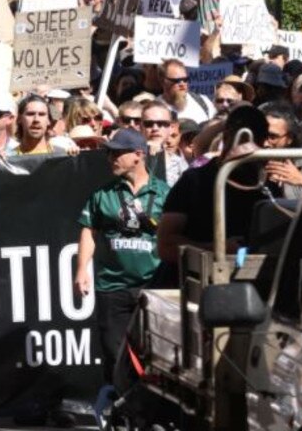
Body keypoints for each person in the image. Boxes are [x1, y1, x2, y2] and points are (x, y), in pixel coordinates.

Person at [74, 129, 169, 424]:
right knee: (116, 358)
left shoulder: (164, 193)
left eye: (117, 153)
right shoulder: (103, 194)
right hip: (112, 287)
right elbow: (89, 229)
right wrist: (81, 270)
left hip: (152, 288)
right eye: (109, 152)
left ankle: (152, 417)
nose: (110, 158)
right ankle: (122, 416)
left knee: (154, 358)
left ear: (138, 155)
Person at [158, 105, 276, 285]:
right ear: (227, 138)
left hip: (253, 290)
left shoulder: (269, 188)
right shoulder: (194, 181)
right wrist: (216, 249)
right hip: (194, 289)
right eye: (241, 141)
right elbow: (166, 245)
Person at [141, 101, 187, 186]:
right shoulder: (131, 159)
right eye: (149, 124)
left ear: (170, 128)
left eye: (161, 123)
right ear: (141, 127)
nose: (155, 128)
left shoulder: (179, 164)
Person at [157, 59, 213, 124]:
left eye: (185, 80)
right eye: (176, 81)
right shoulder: (154, 110)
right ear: (163, 81)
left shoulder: (204, 102)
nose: (182, 85)